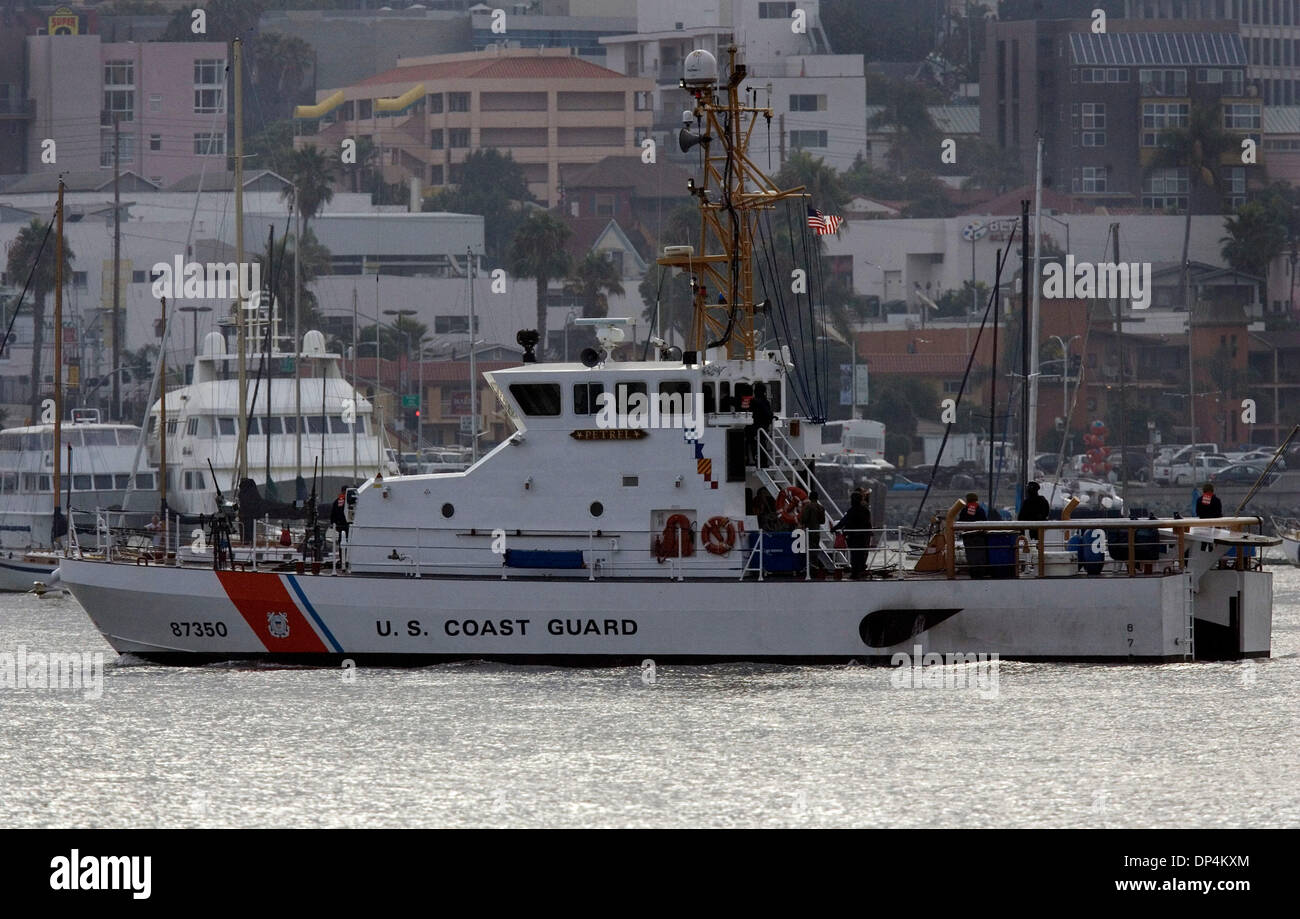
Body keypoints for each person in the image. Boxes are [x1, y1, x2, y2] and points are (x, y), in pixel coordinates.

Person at [832, 492, 873, 577]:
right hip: (863, 537)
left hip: (853, 537)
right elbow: (868, 523)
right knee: (862, 554)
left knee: (854, 554)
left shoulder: (851, 511)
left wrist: (834, 528)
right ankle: (861, 569)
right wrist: (870, 532)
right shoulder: (865, 511)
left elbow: (843, 521)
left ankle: (855, 572)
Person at [745, 381, 774, 465]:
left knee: (753, 444)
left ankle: (752, 460)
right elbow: (769, 414)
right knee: (761, 445)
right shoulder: (766, 402)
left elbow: (751, 413)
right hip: (764, 428)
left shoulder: (754, 402)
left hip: (755, 428)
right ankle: (762, 462)